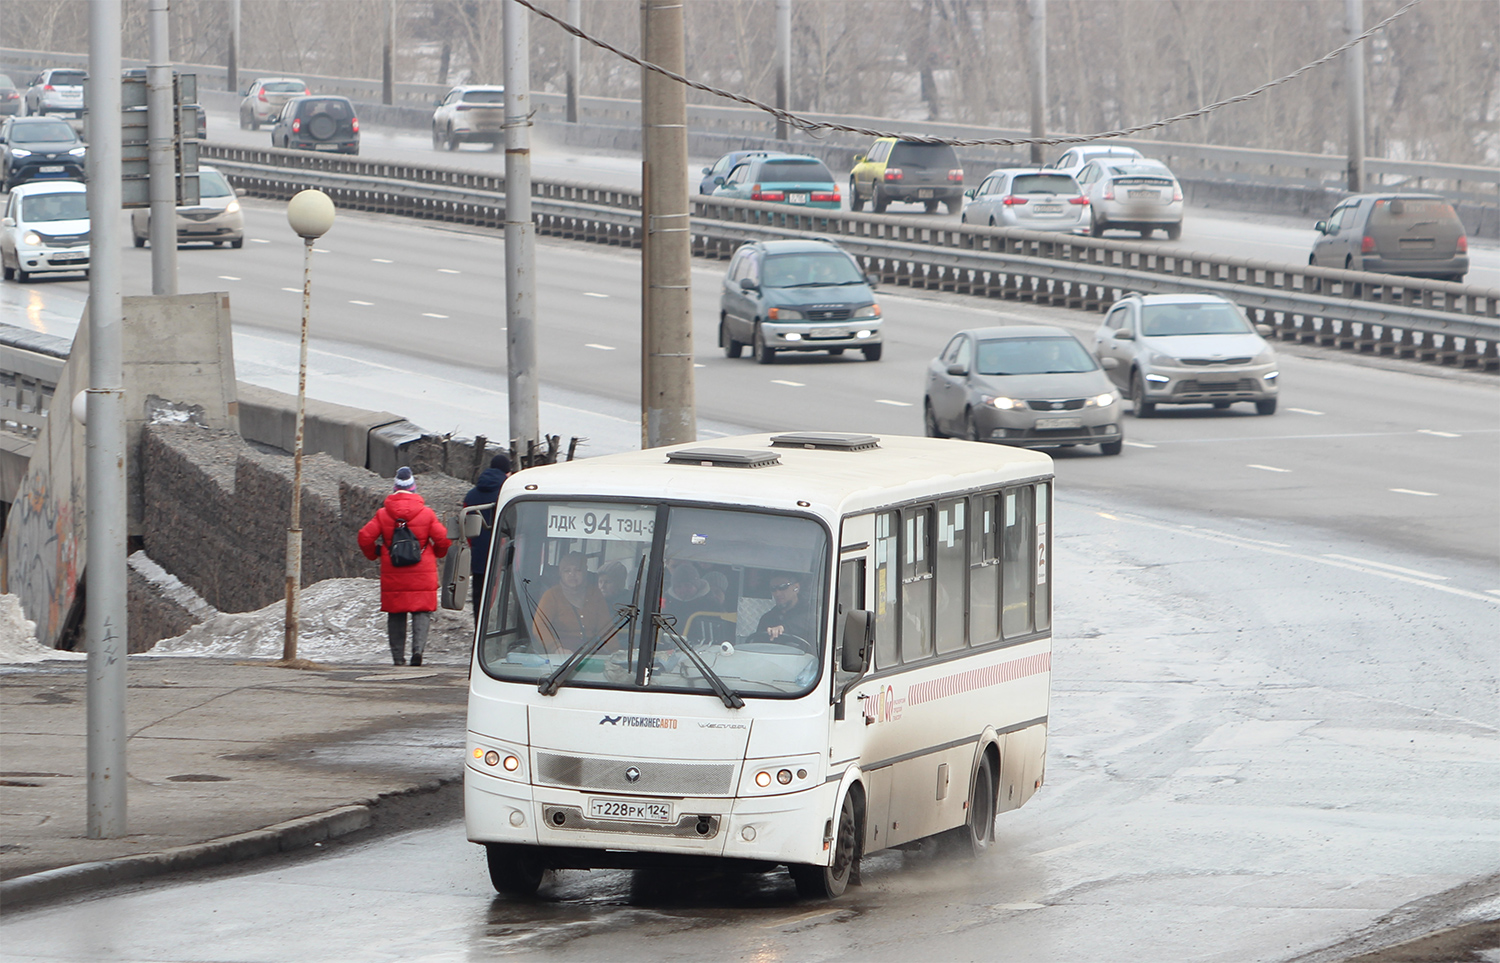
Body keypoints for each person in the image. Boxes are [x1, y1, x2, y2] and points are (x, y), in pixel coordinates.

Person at [358, 466, 451, 666]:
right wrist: (436, 553)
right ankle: (417, 652)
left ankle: (398, 658)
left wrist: (375, 553)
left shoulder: (383, 514)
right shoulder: (426, 513)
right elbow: (443, 539)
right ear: (413, 489)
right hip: (422, 571)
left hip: (394, 570)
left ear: (395, 489)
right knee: (421, 611)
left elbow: (364, 536)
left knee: (396, 612)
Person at [531, 552, 612, 655]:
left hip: (589, 652)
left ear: (585, 572)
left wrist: (615, 652)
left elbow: (606, 627)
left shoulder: (595, 594)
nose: (572, 574)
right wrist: (556, 648)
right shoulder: (551, 595)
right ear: (561, 574)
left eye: (577, 570)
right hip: (561, 653)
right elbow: (540, 626)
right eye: (567, 571)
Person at [462, 452, 510, 618]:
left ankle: (479, 635)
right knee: (502, 599)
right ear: (507, 473)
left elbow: (467, 528)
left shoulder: (471, 495)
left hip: (479, 555)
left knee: (479, 599)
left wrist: (475, 546)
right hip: (504, 557)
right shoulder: (507, 493)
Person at [753, 572, 814, 643]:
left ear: (796, 588)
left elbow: (809, 622)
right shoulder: (767, 618)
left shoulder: (811, 613)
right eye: (773, 589)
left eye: (783, 587)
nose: (777, 593)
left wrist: (783, 628)